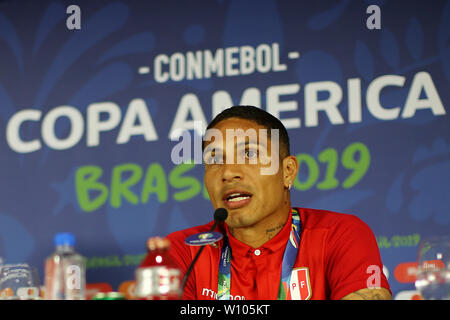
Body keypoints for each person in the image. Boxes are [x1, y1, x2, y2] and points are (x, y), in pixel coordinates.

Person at [147, 105, 392, 300]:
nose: (228, 172)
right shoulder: (184, 250)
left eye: (250, 154)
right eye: (214, 159)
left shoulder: (341, 235)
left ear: (288, 172)